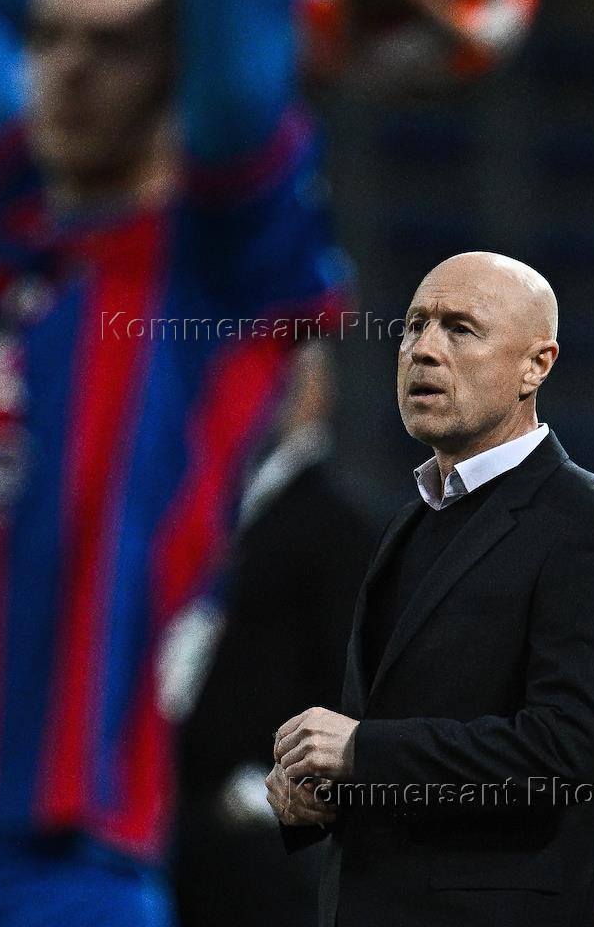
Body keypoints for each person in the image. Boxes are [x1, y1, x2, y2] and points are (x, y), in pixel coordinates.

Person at [0, 0, 474, 927]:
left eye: (118, 45)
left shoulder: (222, 256)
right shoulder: (19, 227)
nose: (66, 68)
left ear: (190, 70)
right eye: (49, 36)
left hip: (60, 876)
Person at [267, 251, 594, 927]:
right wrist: (321, 792)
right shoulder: (410, 521)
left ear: (536, 365)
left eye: (460, 329)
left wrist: (362, 752)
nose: (423, 350)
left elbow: (565, 755)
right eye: (414, 326)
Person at [173, 343, 376, 927]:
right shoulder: (203, 504)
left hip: (252, 842)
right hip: (173, 814)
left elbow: (348, 681)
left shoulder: (340, 527)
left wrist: (270, 793)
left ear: (316, 393)